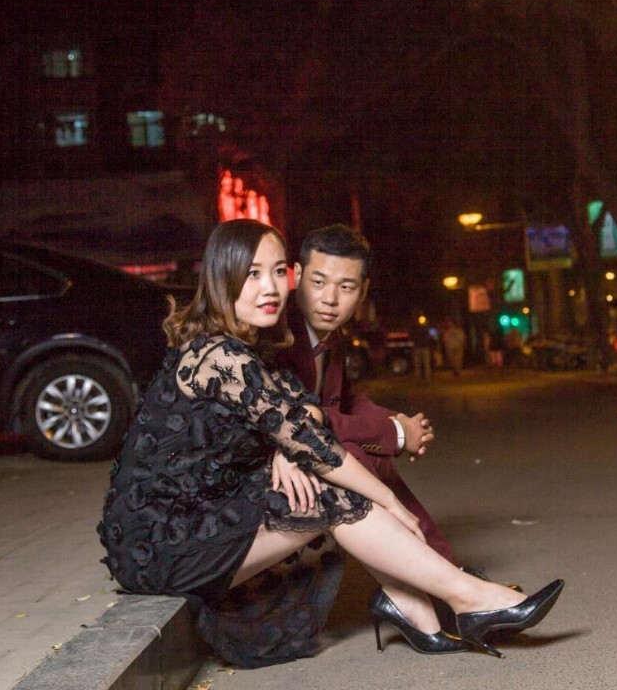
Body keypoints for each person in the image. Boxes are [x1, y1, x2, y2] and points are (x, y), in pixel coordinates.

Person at [98, 219, 564, 669]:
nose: (271, 288)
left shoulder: (248, 347)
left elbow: (306, 414)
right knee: (327, 489)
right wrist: (389, 503)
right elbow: (316, 444)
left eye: (278, 272)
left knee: (323, 487)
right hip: (160, 544)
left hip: (201, 519)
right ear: (223, 278)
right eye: (253, 274)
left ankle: (423, 607)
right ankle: (467, 598)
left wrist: (286, 447)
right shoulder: (219, 356)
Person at [275, 224, 454, 562]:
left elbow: (345, 401)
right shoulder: (276, 336)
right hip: (262, 467)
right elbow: (309, 421)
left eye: (346, 287)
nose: (330, 299)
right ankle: (438, 577)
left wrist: (400, 422)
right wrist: (396, 434)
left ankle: (443, 570)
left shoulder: (333, 335)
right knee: (356, 455)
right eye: (318, 283)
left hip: (303, 452)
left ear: (363, 290)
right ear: (296, 275)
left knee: (366, 456)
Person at [410, 313, 434, 382]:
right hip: (420, 348)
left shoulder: (425, 328)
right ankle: (422, 378)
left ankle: (424, 378)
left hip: (422, 348)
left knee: (423, 364)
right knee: (422, 364)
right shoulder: (417, 328)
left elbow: (432, 337)